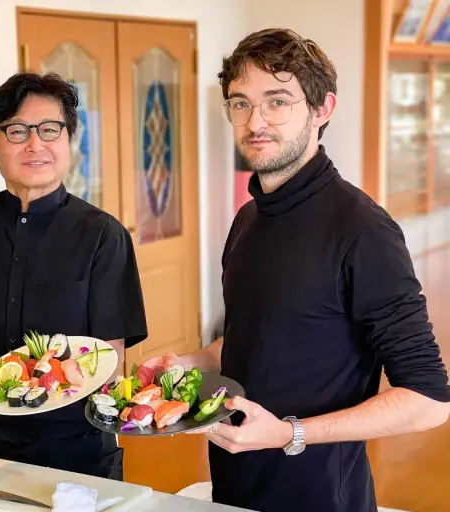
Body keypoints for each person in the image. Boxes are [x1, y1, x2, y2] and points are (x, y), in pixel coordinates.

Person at [144, 29, 450, 511]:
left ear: (322, 108)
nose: (255, 121)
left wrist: (291, 433)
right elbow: (256, 339)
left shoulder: (363, 230)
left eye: (277, 101)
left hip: (320, 494)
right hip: (235, 481)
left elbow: (428, 399)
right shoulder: (248, 219)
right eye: (240, 103)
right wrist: (188, 364)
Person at [0, 72, 147, 480]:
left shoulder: (103, 235)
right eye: (17, 131)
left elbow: (111, 351)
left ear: (69, 140)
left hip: (76, 445)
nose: (35, 143)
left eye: (50, 130)